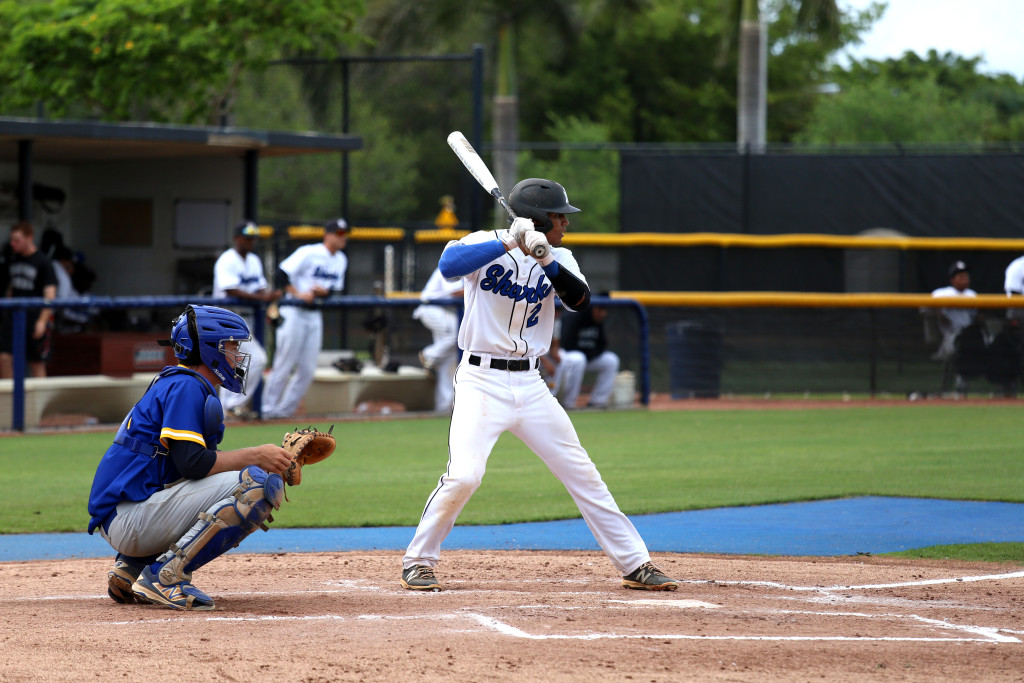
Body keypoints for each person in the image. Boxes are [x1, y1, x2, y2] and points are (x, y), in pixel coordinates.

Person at [400, 178, 678, 592]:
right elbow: (448, 268)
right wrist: (508, 242)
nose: (565, 222)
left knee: (582, 471)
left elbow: (580, 300)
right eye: (559, 215)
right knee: (464, 475)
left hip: (531, 383)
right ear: (536, 217)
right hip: (480, 381)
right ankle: (418, 562)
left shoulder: (560, 254)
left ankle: (636, 563)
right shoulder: (483, 243)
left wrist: (546, 258)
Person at [87, 304, 293, 611]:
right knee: (257, 485)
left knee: (246, 476)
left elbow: (188, 465)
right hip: (130, 518)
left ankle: (131, 567)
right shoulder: (186, 386)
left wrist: (264, 457)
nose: (237, 355)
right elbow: (192, 464)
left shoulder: (178, 382)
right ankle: (166, 577)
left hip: (126, 514)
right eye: (232, 346)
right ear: (211, 350)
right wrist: (256, 456)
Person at [262, 218, 349, 419]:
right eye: (339, 234)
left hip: (314, 314)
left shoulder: (341, 260)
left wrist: (322, 293)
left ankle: (284, 412)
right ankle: (266, 410)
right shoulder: (309, 252)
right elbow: (281, 274)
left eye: (345, 234)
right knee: (284, 363)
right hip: (294, 312)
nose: (343, 238)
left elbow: (334, 291)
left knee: (308, 369)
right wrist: (298, 293)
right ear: (327, 235)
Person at [213, 221, 281, 420]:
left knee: (234, 362)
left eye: (253, 238)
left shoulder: (253, 260)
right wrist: (262, 298)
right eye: (247, 237)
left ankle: (226, 409)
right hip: (227, 316)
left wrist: (269, 294)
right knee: (257, 359)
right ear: (237, 238)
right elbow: (230, 289)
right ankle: (231, 405)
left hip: (244, 317)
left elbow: (259, 286)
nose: (251, 241)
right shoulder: (227, 260)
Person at [0, 221, 58, 378]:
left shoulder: (43, 262)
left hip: (34, 317)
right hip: (14, 316)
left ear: (29, 238)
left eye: (17, 240)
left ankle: (38, 403)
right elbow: (11, 288)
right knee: (4, 357)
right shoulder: (12, 259)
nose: (13, 244)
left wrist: (42, 320)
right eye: (12, 240)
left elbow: (50, 294)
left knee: (36, 362)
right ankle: (11, 400)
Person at [413, 266, 464, 412]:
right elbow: (454, 292)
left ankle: (443, 406)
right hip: (431, 308)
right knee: (458, 334)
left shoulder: (475, 267)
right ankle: (429, 355)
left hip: (445, 311)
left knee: (449, 360)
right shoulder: (453, 263)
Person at [555, 301, 620, 409]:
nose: (603, 314)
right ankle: (568, 404)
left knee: (611, 360)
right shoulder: (575, 317)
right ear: (594, 309)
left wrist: (591, 354)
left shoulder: (598, 322)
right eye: (600, 310)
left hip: (587, 358)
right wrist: (587, 353)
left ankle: (597, 402)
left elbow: (602, 344)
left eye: (604, 311)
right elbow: (566, 343)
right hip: (568, 357)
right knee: (579, 359)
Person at [928, 260, 978, 361]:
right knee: (953, 353)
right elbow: (923, 311)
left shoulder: (973, 294)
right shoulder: (941, 294)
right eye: (960, 276)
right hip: (951, 333)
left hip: (970, 333)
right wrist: (938, 313)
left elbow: (978, 315)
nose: (964, 279)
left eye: (966, 276)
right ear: (952, 280)